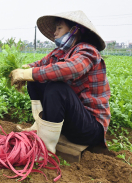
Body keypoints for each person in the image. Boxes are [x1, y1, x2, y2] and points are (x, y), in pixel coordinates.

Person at [9, 10, 111, 153]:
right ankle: (39, 126)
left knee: (56, 87)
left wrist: (30, 73)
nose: (55, 33)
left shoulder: (88, 51)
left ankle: (45, 149)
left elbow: (72, 68)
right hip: (71, 120)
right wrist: (23, 70)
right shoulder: (59, 53)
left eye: (59, 28)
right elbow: (39, 65)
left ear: (75, 30)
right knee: (35, 79)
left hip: (90, 127)